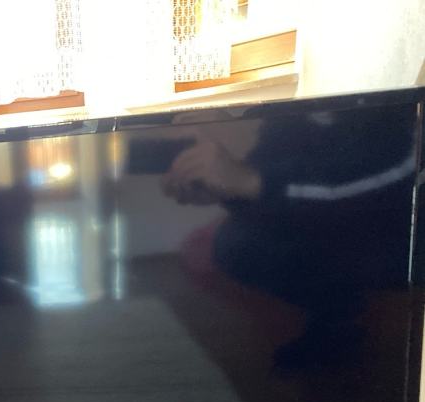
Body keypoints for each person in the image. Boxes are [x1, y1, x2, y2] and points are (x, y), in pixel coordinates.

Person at [161, 106, 418, 369]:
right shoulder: (291, 114)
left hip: (395, 234)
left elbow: (390, 177)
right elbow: (265, 178)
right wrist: (229, 191)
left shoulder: (388, 109)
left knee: (229, 244)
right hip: (328, 223)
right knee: (228, 243)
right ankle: (335, 318)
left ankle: (343, 319)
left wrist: (251, 182)